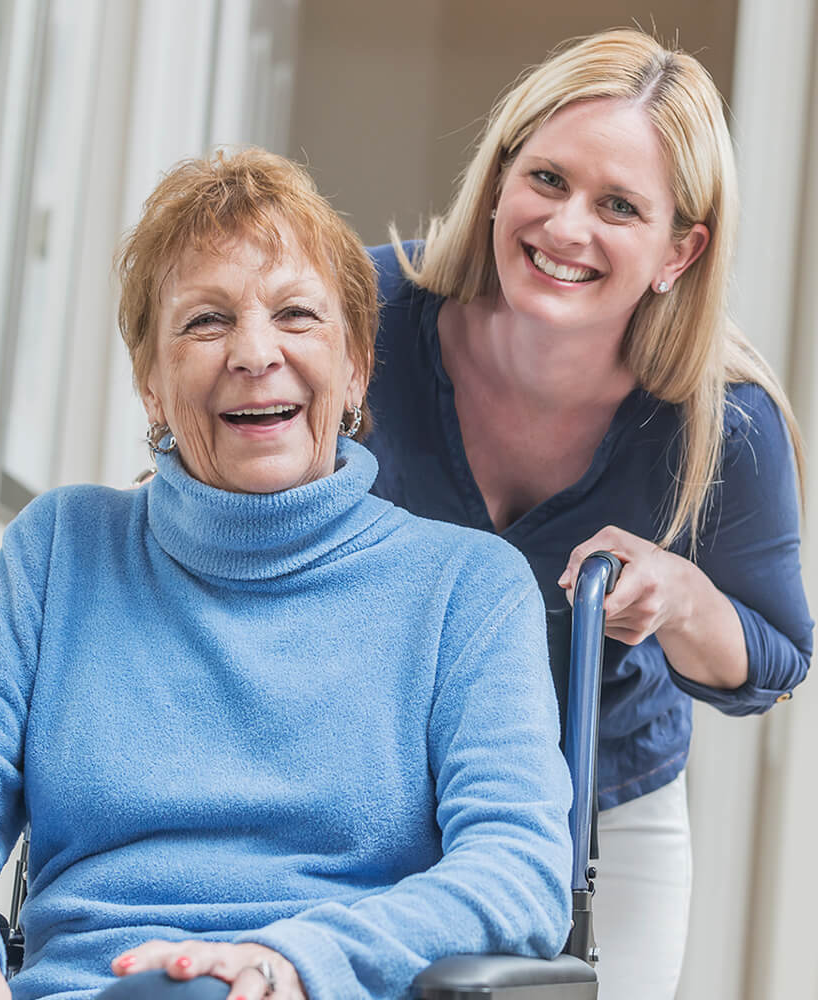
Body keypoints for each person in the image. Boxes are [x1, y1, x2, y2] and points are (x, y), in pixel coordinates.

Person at [0, 149, 573, 1000]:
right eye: (206, 322)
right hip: (71, 987)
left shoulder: (467, 587)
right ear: (150, 381)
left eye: (295, 315)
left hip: (300, 987)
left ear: (357, 365)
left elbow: (517, 871)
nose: (255, 353)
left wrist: (299, 959)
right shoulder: (63, 547)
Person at [364, 28, 812, 1000]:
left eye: (617, 206)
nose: (566, 228)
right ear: (496, 180)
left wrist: (680, 598)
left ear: (677, 249)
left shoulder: (722, 424)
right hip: (359, 789)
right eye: (547, 179)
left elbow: (775, 656)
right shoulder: (362, 316)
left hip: (597, 824)